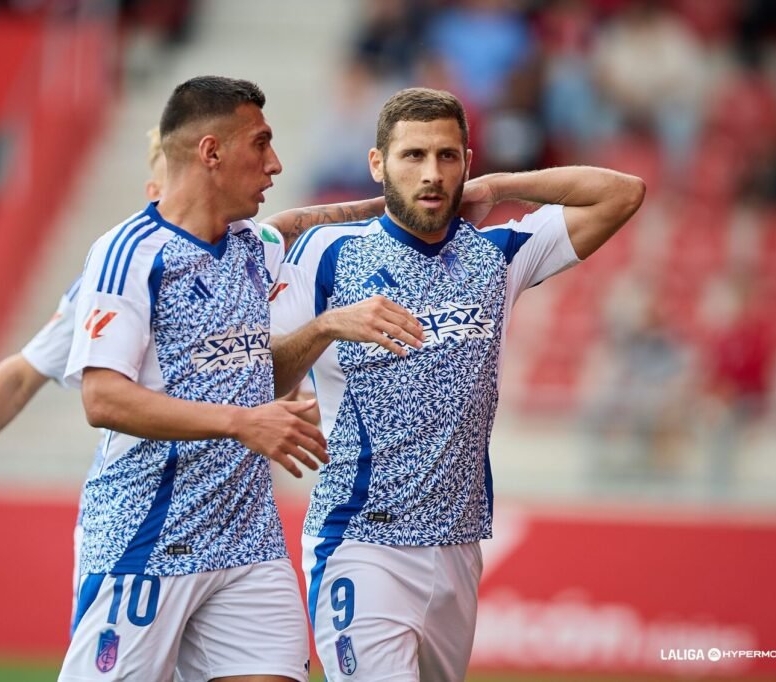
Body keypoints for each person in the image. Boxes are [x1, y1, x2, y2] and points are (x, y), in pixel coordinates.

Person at [0, 128, 386, 608]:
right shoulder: (114, 283)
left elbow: (288, 228)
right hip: (141, 531)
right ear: (155, 190)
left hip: (236, 536)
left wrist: (417, 204)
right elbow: (19, 376)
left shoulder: (245, 254)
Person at [271, 87, 645, 681]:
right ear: (378, 165)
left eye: (448, 156)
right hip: (361, 542)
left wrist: (500, 187)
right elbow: (264, 379)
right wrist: (326, 325)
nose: (432, 173)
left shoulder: (498, 254)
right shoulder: (327, 254)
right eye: (413, 156)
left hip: (459, 547)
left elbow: (622, 193)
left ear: (467, 163)